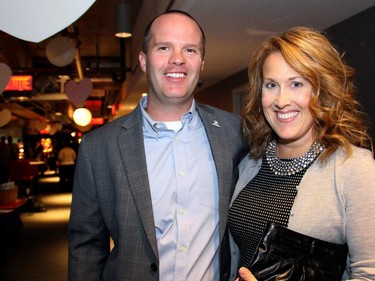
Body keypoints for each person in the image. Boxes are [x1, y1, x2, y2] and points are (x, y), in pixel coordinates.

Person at [68, 10, 247, 281]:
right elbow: (86, 248)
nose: (177, 59)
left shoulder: (236, 133)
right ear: (143, 60)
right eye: (164, 47)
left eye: (190, 49)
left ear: (201, 63)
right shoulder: (99, 148)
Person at [228, 26, 375, 281]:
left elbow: (368, 274)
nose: (282, 100)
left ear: (323, 91)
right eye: (271, 85)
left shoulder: (355, 170)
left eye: (296, 83)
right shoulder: (250, 164)